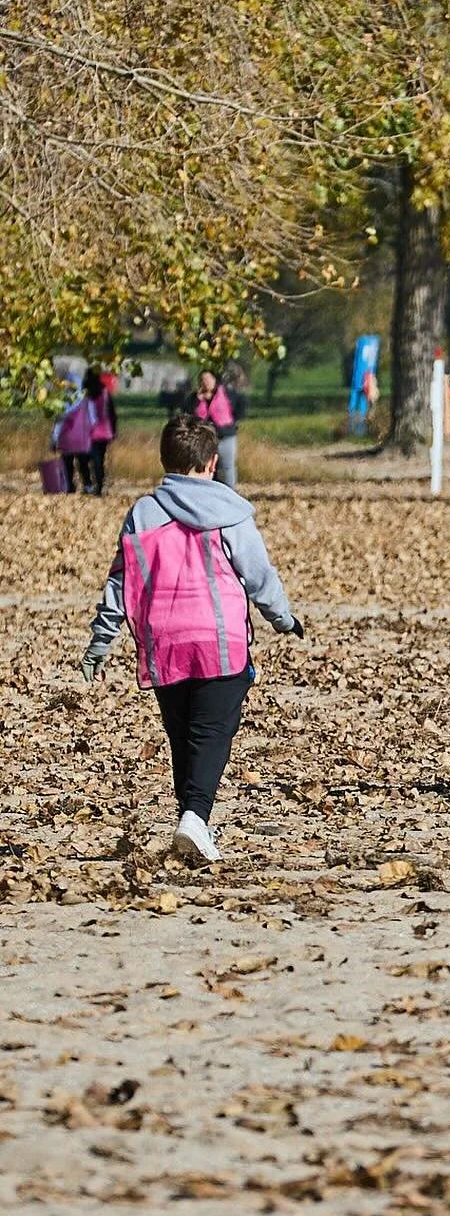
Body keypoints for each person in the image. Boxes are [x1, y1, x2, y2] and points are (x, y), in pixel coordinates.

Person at [80, 413, 303, 866]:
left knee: (183, 735)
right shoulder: (231, 512)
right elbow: (259, 575)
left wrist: (100, 643)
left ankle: (192, 822)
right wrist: (283, 618)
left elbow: (119, 584)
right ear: (212, 462)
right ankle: (196, 818)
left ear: (166, 460)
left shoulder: (143, 513)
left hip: (163, 641)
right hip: (219, 641)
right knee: (211, 733)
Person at [187, 369, 238, 486]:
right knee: (205, 466)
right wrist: (197, 400)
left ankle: (229, 493)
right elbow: (187, 414)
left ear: (215, 380)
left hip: (225, 436)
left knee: (227, 467)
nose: (206, 382)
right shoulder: (193, 398)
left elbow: (238, 407)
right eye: (203, 380)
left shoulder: (226, 394)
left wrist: (232, 424)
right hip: (204, 438)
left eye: (208, 379)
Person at [52, 382, 96, 494]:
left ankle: (69, 487)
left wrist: (54, 439)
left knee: (67, 465)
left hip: (66, 439)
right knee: (83, 464)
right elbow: (93, 420)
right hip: (82, 438)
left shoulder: (62, 403)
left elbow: (58, 424)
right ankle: (88, 486)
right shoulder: (87, 401)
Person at [84, 367, 118, 496]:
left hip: (90, 432)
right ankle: (99, 485)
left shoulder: (86, 394)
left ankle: (90, 483)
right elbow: (112, 414)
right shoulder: (105, 393)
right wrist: (114, 430)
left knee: (88, 460)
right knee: (99, 460)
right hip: (104, 432)